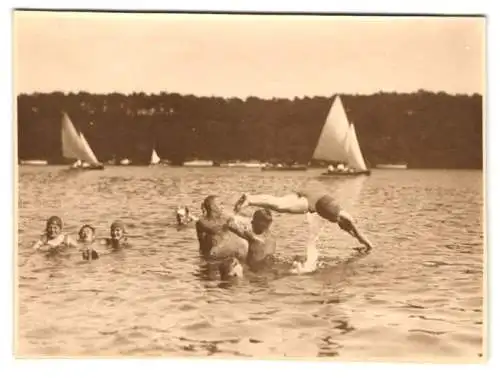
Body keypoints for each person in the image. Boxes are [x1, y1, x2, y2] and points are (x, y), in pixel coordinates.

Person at [233, 181, 373, 250]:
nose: (338, 224)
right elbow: (359, 234)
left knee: (281, 203)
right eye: (341, 225)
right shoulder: (345, 217)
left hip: (314, 190)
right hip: (312, 201)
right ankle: (250, 199)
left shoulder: (341, 215)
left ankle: (251, 198)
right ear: (342, 222)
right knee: (281, 206)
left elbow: (355, 235)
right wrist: (369, 246)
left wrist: (362, 243)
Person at [195, 195, 248, 280]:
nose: (223, 207)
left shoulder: (225, 218)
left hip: (226, 257)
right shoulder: (201, 222)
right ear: (212, 206)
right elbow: (212, 229)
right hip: (211, 260)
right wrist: (228, 223)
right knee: (212, 280)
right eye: (221, 204)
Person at [225, 209, 276, 273]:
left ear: (259, 224)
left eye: (253, 221)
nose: (251, 223)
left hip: (254, 271)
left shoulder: (253, 238)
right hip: (268, 269)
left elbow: (231, 225)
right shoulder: (272, 238)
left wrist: (233, 215)